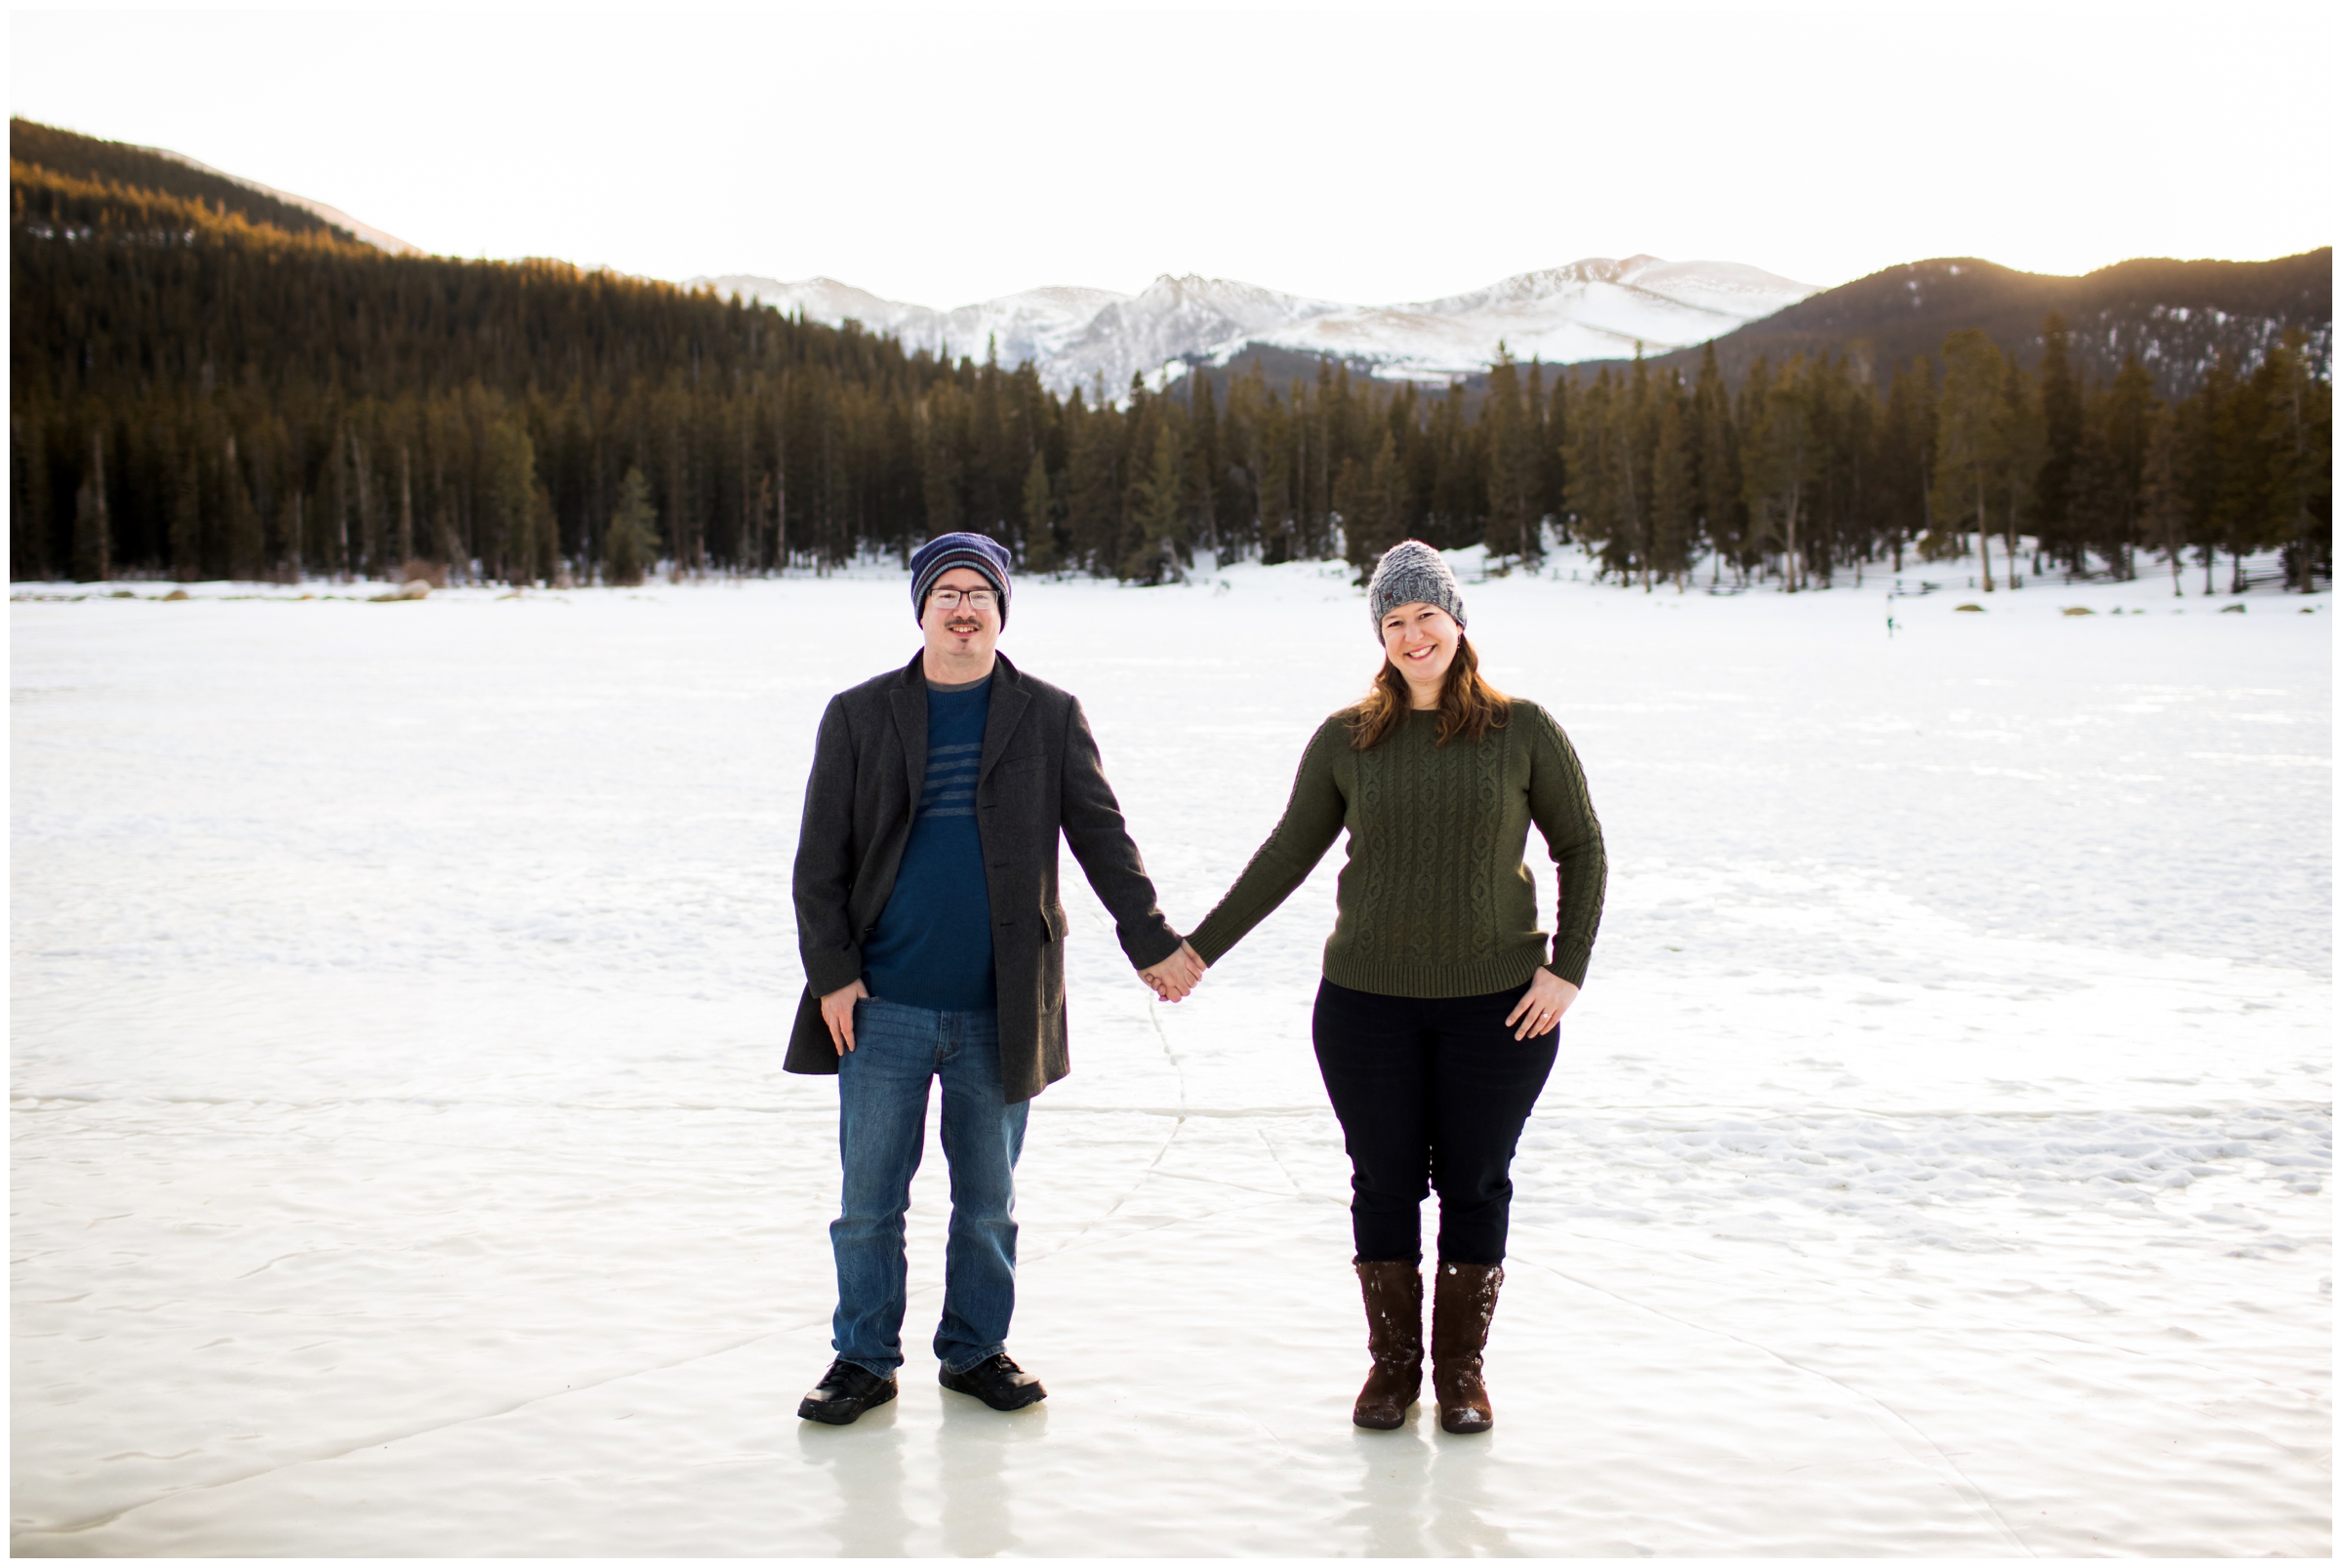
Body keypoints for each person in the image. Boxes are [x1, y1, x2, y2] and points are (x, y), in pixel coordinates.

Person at [1185, 541, 1605, 1435]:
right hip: (1366, 1007)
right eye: (1395, 622)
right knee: (1382, 1184)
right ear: (1380, 636)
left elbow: (1584, 847)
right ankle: (1392, 1370)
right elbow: (1287, 855)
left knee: (1476, 1181)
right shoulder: (1349, 737)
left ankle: (1460, 1372)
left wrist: (1568, 966)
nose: (1414, 636)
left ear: (1458, 621)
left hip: (1500, 1010)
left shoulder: (1521, 729)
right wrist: (1198, 950)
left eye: (1427, 617)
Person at [787, 531, 1205, 1426]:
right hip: (881, 1007)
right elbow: (818, 862)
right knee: (868, 1203)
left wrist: (1154, 942)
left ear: (1002, 610)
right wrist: (832, 976)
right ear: (923, 609)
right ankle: (861, 1357)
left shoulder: (1048, 716)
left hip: (1001, 1008)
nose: (966, 608)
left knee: (986, 1202)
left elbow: (1104, 842)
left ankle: (975, 1348)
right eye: (949, 593)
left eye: (982, 593)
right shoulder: (858, 715)